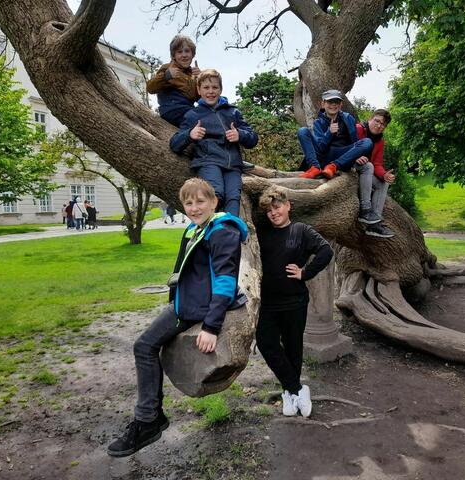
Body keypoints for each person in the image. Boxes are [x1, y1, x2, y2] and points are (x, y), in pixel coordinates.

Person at [107, 178, 248, 458]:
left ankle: (147, 420)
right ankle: (152, 416)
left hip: (202, 309)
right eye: (188, 203)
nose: (194, 208)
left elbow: (225, 280)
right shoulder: (194, 229)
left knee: (144, 347)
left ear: (214, 202)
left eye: (200, 201)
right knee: (143, 346)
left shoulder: (222, 231)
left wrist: (211, 327)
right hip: (186, 304)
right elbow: (183, 271)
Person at [255, 186, 333, 418]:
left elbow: (326, 251)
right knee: (266, 343)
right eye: (269, 210)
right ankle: (297, 389)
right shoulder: (262, 232)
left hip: (294, 302)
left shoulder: (301, 230)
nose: (273, 213)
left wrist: (305, 273)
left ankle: (289, 393)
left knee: (293, 349)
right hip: (268, 303)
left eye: (277, 207)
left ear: (288, 205)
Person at [170, 69, 258, 217]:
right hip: (208, 161)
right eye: (206, 87)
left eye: (215, 87)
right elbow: (174, 144)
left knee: (233, 197)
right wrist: (190, 134)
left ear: (221, 89)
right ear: (199, 90)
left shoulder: (233, 112)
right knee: (215, 194)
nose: (210, 91)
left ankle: (230, 227)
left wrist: (240, 135)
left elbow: (253, 139)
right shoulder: (193, 115)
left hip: (232, 165)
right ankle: (210, 227)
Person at [296, 89, 383, 228]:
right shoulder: (319, 122)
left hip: (341, 156)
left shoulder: (348, 118)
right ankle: (314, 167)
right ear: (323, 104)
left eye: (336, 102)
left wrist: (357, 155)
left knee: (367, 142)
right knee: (302, 131)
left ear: (341, 104)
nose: (333, 105)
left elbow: (355, 141)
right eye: (330, 102)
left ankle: (334, 166)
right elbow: (320, 148)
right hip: (324, 156)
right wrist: (329, 133)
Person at [353, 109, 396, 238]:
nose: (379, 125)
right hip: (350, 165)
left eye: (383, 124)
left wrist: (384, 175)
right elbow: (344, 146)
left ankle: (374, 224)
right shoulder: (358, 129)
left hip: (365, 171)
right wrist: (355, 156)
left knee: (383, 183)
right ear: (370, 119)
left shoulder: (380, 141)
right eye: (377, 121)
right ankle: (365, 210)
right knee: (368, 165)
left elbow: (377, 164)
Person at [146, 35, 200, 127]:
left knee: (207, 117)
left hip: (188, 109)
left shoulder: (192, 74)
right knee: (197, 120)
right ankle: (183, 135)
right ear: (173, 55)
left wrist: (200, 80)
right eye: (179, 52)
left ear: (192, 54)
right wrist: (166, 76)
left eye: (187, 51)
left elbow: (199, 98)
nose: (184, 55)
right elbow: (150, 88)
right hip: (172, 109)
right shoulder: (168, 68)